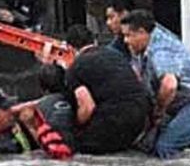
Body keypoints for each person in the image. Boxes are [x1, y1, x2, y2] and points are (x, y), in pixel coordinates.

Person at [121, 9, 190, 158]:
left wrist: (159, 111)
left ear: (142, 32)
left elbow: (169, 85)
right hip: (186, 104)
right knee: (149, 145)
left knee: (165, 147)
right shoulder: (149, 42)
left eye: (128, 35)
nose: (125, 41)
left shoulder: (161, 51)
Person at [63, 24, 152, 154]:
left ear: (70, 48)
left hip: (113, 121)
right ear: (94, 41)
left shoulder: (75, 68)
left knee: (75, 144)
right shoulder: (116, 54)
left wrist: (76, 125)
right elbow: (137, 77)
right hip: (140, 119)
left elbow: (87, 107)